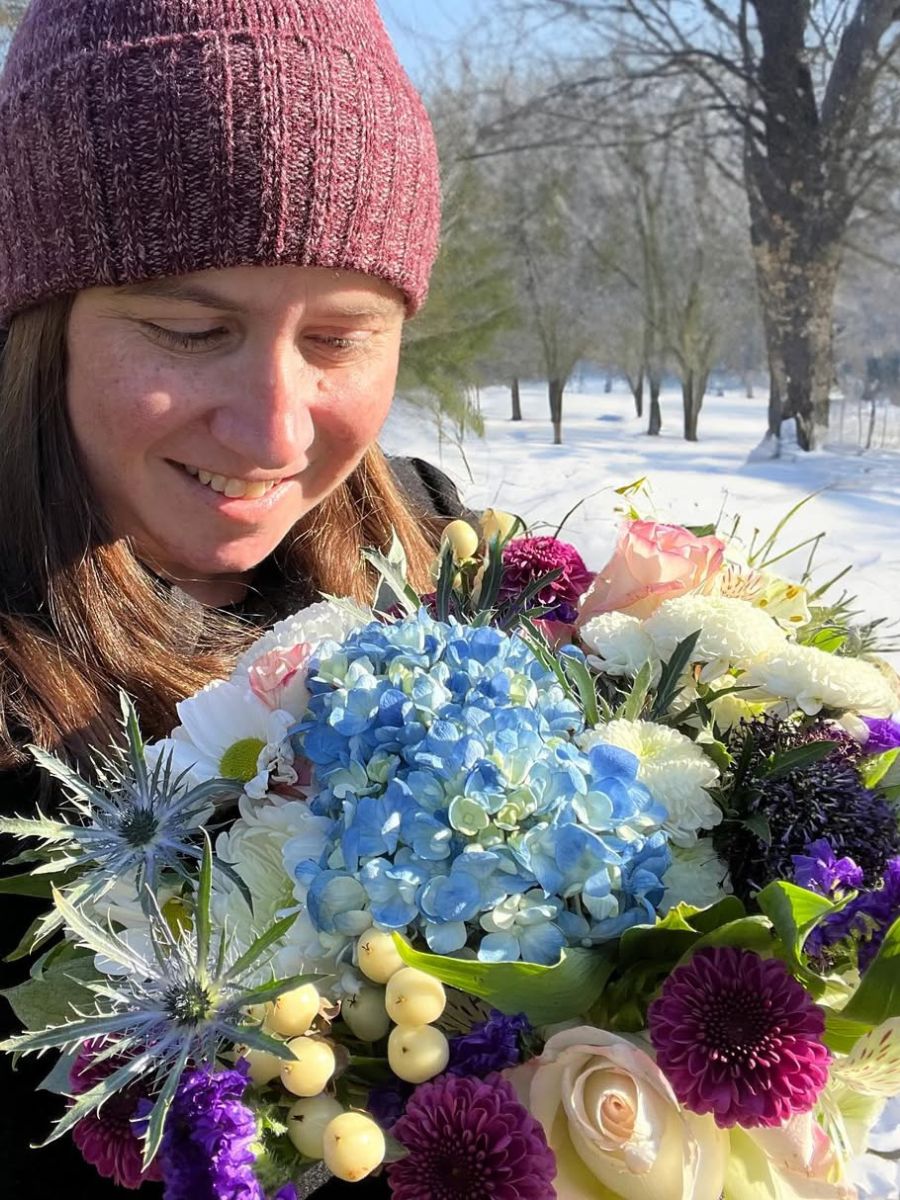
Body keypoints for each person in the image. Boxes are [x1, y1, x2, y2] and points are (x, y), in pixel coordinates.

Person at [0, 2, 463, 1196]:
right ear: (40, 327)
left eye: (341, 337)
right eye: (190, 329)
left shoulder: (454, 563)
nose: (274, 430)